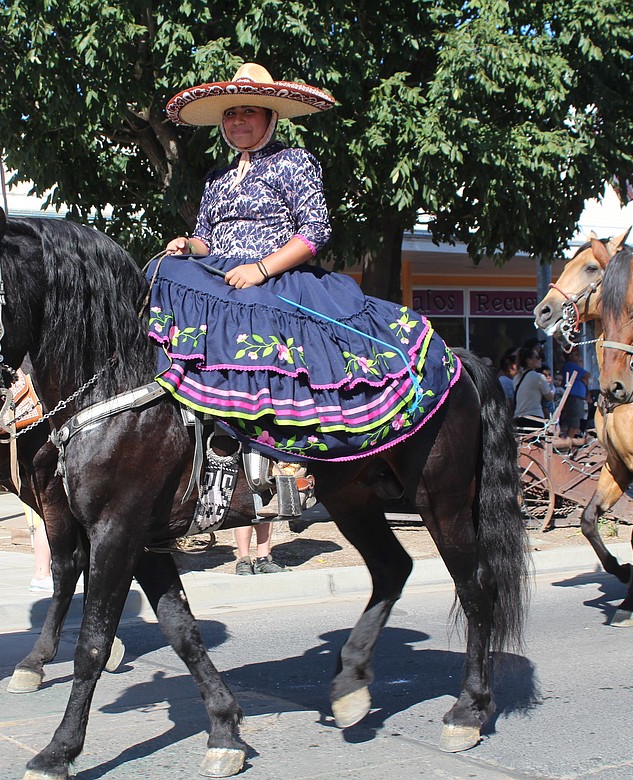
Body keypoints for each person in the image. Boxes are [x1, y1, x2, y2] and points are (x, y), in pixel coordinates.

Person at [152, 63, 458, 574]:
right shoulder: (218, 176)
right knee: (160, 279)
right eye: (230, 115)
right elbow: (210, 236)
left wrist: (261, 268)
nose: (236, 122)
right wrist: (189, 245)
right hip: (222, 274)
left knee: (263, 330)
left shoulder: (294, 162)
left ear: (269, 115)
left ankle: (282, 447)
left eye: (247, 112)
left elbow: (315, 231)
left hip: (276, 277)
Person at [512, 345, 553, 432]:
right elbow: (549, 397)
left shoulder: (516, 377)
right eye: (537, 357)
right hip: (534, 418)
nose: (540, 359)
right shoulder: (538, 377)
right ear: (529, 361)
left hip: (518, 419)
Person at [557, 349, 591, 446]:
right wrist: (583, 377)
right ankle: (568, 445)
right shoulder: (570, 365)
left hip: (578, 398)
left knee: (576, 423)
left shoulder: (574, 366)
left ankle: (571, 444)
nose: (579, 357)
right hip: (574, 398)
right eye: (576, 354)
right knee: (574, 424)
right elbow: (587, 375)